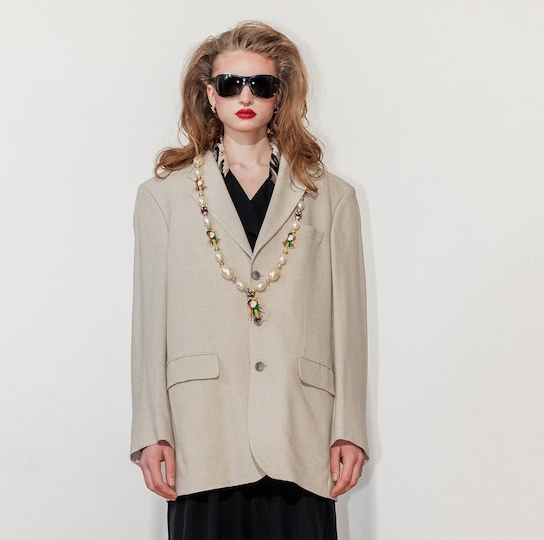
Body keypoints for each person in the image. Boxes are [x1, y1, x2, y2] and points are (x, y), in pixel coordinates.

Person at [130, 20, 368, 540]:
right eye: (230, 83)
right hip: (202, 432)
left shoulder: (331, 197)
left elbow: (349, 322)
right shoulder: (163, 197)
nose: (245, 96)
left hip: (298, 428)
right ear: (208, 94)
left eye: (261, 85)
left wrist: (349, 428)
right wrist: (152, 430)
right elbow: (149, 322)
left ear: (280, 96)